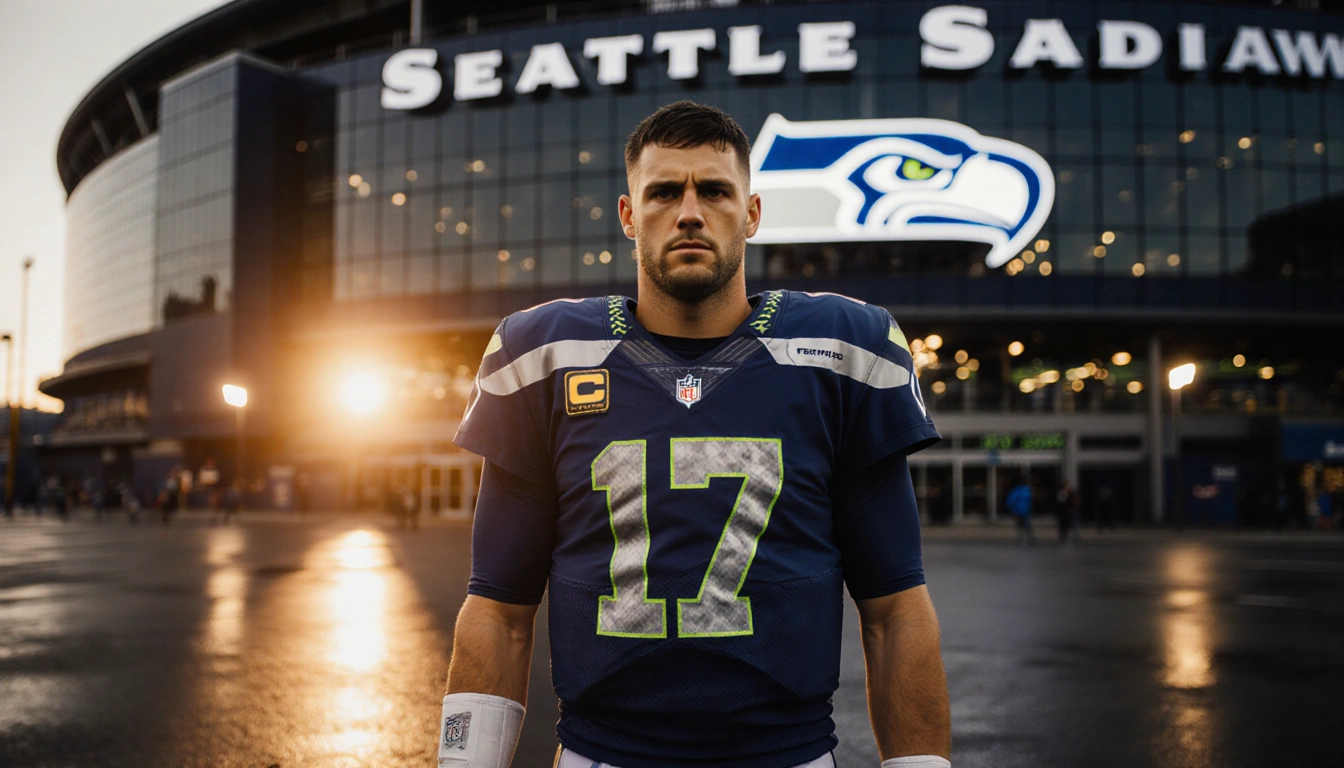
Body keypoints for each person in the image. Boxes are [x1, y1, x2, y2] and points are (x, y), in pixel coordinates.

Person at [439, 102, 951, 768]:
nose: (688, 211)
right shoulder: (543, 353)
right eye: (663, 192)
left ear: (752, 213)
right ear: (629, 215)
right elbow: (499, 611)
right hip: (603, 753)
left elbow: (895, 608)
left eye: (713, 190)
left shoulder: (841, 351)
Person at [1005, 476, 1035, 546]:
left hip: (1018, 510)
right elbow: (1030, 500)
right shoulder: (1027, 490)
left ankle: (1022, 538)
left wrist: (1009, 507)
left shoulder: (1016, 490)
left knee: (1019, 525)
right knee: (1026, 524)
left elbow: (1011, 500)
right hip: (1026, 510)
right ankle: (1030, 536)